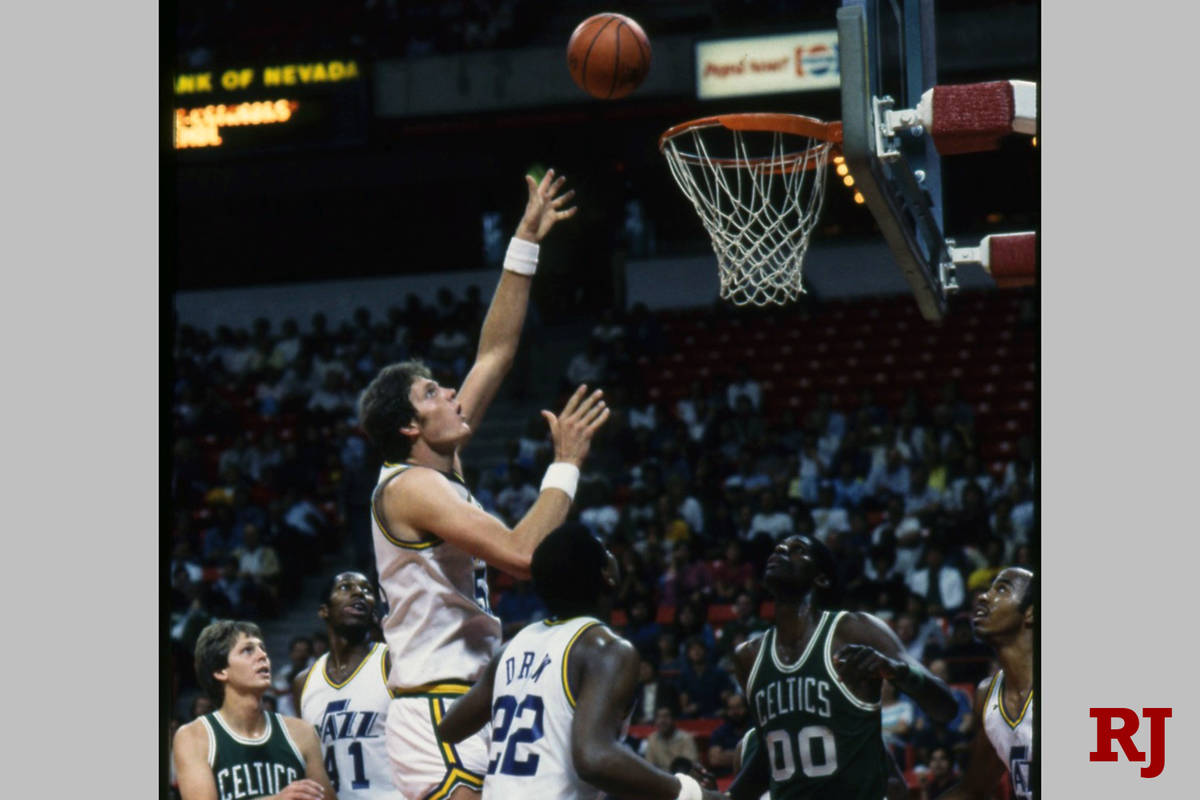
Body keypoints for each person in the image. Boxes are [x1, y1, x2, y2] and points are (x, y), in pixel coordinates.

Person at [357, 169, 610, 800]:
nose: (449, 392)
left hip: (472, 696)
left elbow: (494, 352)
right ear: (411, 426)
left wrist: (524, 241)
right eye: (431, 392)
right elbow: (525, 557)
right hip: (434, 709)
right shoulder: (409, 488)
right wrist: (566, 464)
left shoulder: (440, 464)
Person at [436, 523, 724, 800]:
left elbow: (451, 727)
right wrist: (687, 792)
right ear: (606, 576)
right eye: (605, 551)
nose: (612, 555)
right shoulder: (606, 649)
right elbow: (594, 758)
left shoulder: (511, 648)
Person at [727, 534, 959, 800]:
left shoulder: (854, 630)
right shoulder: (748, 657)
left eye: (797, 549)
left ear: (821, 578)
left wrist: (896, 670)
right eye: (778, 547)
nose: (781, 550)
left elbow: (946, 708)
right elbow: (768, 756)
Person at [173, 620, 336, 800]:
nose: (262, 655)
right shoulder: (194, 736)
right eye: (247, 650)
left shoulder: (302, 733)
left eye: (262, 648)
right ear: (220, 671)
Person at [292, 571, 400, 799]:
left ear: (373, 614)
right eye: (345, 587)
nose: (358, 593)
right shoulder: (304, 682)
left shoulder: (392, 661)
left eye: (367, 590)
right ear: (324, 611)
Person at [934, 568, 1035, 799]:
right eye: (988, 589)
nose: (983, 596)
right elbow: (973, 790)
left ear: (1031, 612)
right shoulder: (988, 695)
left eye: (1002, 589)